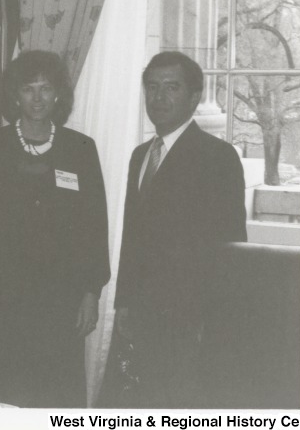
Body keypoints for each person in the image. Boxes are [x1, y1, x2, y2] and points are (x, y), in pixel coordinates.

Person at [0, 50, 110, 408]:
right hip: (7, 299)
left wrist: (91, 293)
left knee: (59, 397)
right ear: (15, 95)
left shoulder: (80, 149)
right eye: (29, 89)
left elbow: (96, 227)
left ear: (58, 94)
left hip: (64, 301)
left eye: (46, 89)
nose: (38, 98)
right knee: (10, 396)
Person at [114, 51, 247, 408]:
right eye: (152, 87)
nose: (159, 98)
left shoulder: (217, 157)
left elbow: (231, 246)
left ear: (193, 96)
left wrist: (215, 320)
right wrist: (123, 302)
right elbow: (133, 237)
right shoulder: (141, 155)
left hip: (191, 320)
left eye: (171, 88)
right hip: (142, 316)